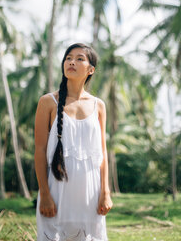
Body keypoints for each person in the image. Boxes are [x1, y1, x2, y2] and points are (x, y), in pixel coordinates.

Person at [34, 43, 113, 241]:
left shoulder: (98, 105)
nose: (71, 62)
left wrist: (105, 192)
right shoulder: (47, 102)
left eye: (79, 59)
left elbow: (102, 154)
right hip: (57, 191)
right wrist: (44, 193)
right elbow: (40, 151)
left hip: (90, 194)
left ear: (91, 69)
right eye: (68, 58)